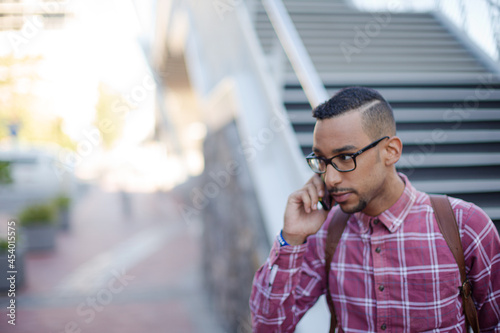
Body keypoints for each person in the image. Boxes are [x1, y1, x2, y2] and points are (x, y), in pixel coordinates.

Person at [249, 87, 500, 332]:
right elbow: (268, 327)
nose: (330, 179)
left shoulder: (465, 226)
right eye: (322, 161)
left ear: (391, 152)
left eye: (346, 157)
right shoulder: (325, 233)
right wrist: (291, 238)